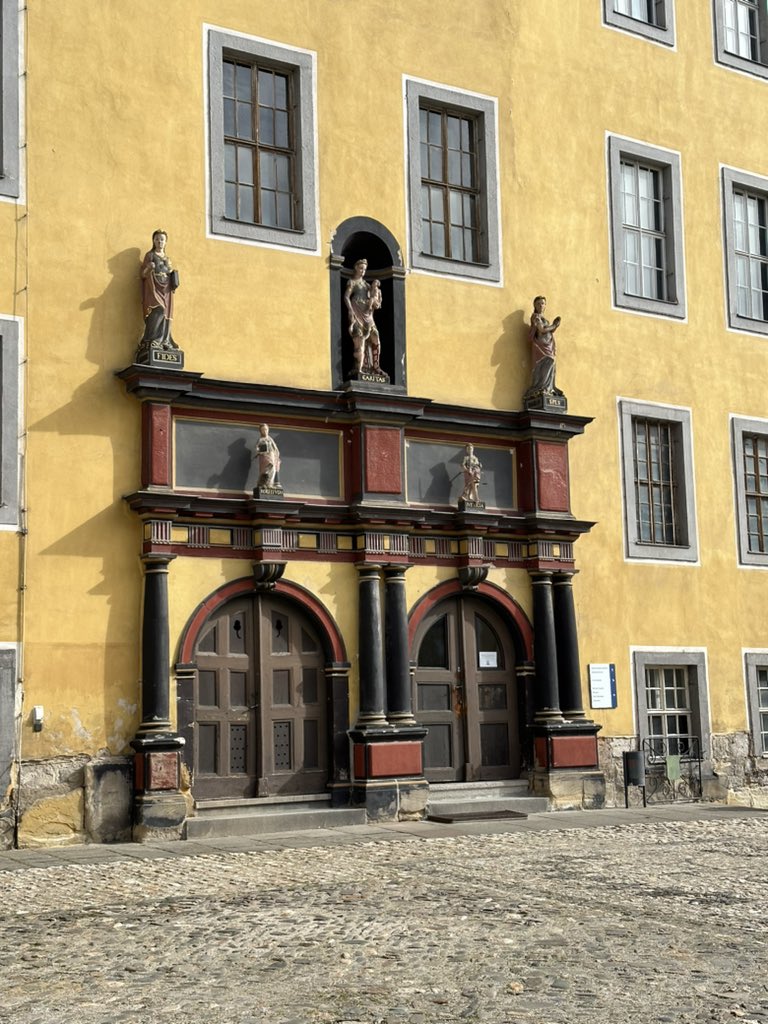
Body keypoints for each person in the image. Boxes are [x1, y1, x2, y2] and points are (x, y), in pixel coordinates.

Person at [139, 230, 178, 352]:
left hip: (167, 289)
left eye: (162, 239)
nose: (159, 241)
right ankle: (152, 340)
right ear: (153, 241)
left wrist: (174, 278)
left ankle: (165, 340)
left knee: (166, 314)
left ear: (166, 242)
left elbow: (169, 271)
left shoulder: (168, 259)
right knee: (158, 309)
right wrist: (149, 268)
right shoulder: (150, 255)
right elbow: (143, 274)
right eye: (157, 239)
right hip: (153, 287)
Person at [344, 259, 381, 375]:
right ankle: (359, 368)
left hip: (368, 315)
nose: (363, 271)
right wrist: (350, 310)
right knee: (359, 341)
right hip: (357, 312)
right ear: (356, 268)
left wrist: (376, 302)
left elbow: (374, 299)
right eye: (361, 268)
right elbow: (346, 297)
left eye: (364, 269)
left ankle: (375, 367)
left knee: (376, 338)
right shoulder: (352, 282)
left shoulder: (367, 285)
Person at [525, 295, 563, 399]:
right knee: (547, 362)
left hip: (548, 344)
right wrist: (554, 325)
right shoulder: (535, 317)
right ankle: (541, 387)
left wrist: (554, 326)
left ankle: (549, 388)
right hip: (540, 345)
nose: (541, 305)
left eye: (542, 303)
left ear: (545, 305)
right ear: (535, 305)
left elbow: (547, 330)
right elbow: (541, 329)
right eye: (538, 303)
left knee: (551, 365)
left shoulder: (543, 318)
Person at [253, 424, 281, 489]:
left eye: (266, 429)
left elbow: (275, 448)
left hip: (271, 455)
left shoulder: (270, 439)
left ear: (268, 430)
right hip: (264, 457)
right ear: (260, 431)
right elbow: (257, 448)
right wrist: (258, 451)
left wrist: (277, 455)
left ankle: (269, 484)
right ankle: (262, 484)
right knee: (265, 470)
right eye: (263, 430)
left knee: (273, 469)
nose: (265, 431)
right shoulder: (260, 439)